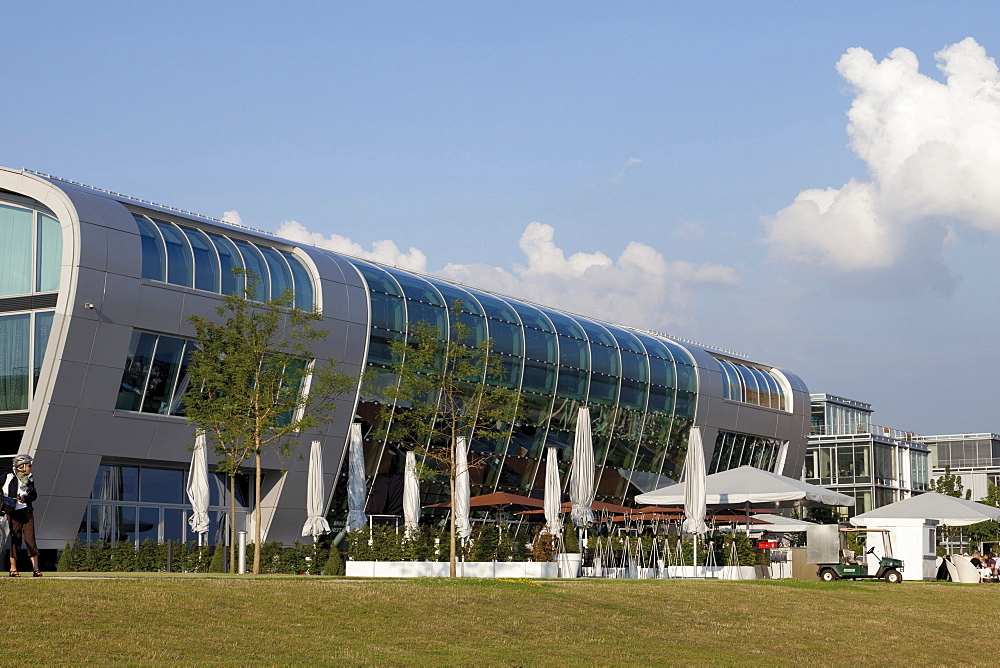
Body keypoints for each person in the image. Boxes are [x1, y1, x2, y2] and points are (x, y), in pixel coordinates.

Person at [4, 455, 40, 577]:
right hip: (13, 512)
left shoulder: (30, 478)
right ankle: (13, 569)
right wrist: (5, 500)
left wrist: (26, 498)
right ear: (21, 466)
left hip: (27, 511)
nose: (31, 467)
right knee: (16, 539)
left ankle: (36, 569)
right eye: (29, 465)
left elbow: (34, 495)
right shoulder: (8, 476)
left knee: (31, 539)